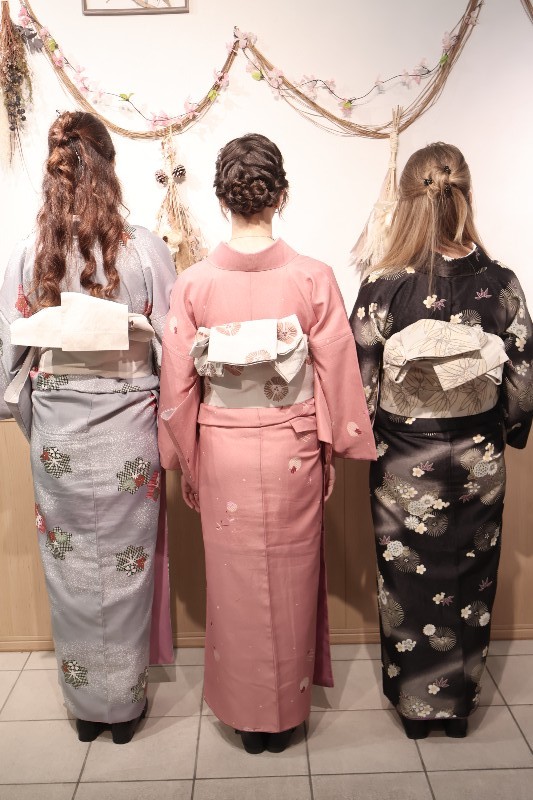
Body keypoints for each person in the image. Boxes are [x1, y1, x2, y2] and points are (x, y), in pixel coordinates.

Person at [158, 133, 375, 754]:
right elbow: (336, 370)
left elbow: (177, 386)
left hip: (222, 448)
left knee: (234, 585)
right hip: (292, 447)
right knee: (291, 573)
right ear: (281, 195)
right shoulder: (313, 277)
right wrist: (331, 446)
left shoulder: (193, 284)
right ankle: (286, 711)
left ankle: (245, 717)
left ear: (221, 198)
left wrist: (185, 459)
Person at [0, 111, 176, 743]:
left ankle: (85, 711)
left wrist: (34, 415)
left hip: (60, 429)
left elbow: (10, 355)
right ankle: (124, 708)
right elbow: (173, 344)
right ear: (109, 168)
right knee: (126, 569)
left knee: (71, 570)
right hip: (129, 423)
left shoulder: (33, 252)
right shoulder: (143, 248)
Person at [351, 142, 533, 739]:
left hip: (404, 462)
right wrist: (507, 428)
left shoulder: (383, 287)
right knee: (471, 578)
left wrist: (374, 437)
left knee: (406, 581)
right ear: (465, 196)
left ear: (407, 202)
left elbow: (361, 386)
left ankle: (415, 708)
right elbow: (522, 382)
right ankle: (458, 708)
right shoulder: (501, 284)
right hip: (479, 458)